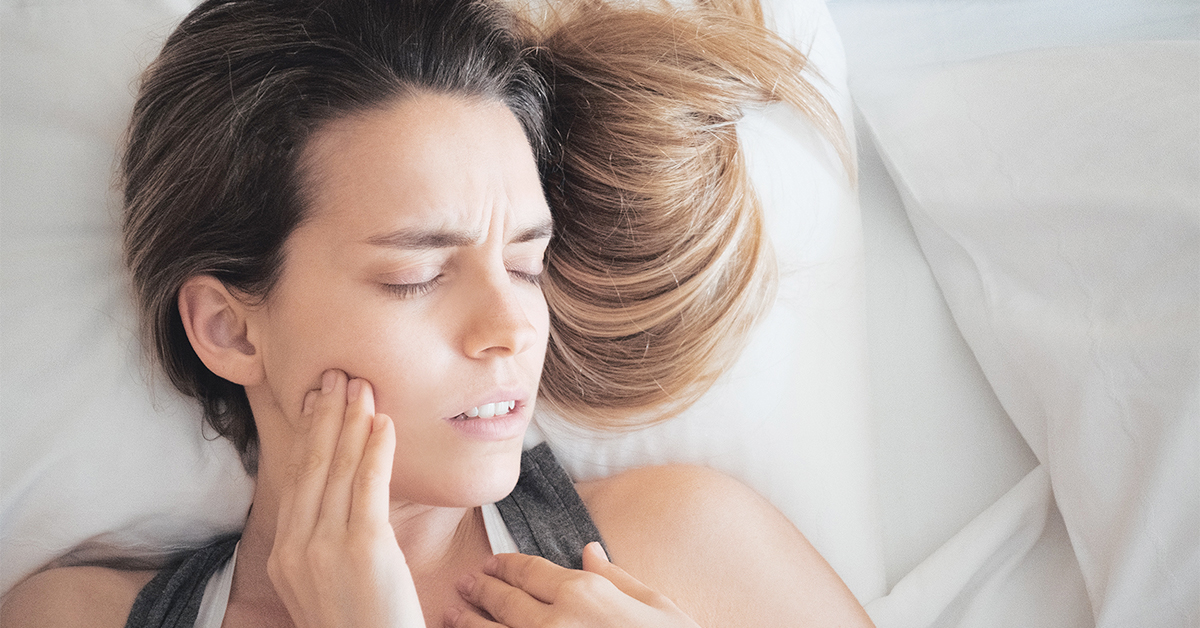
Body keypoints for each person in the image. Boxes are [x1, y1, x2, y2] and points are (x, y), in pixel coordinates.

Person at [0, 0, 871, 626]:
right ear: (230, 330)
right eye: (418, 276)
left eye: (525, 264)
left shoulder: (680, 548)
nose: (511, 328)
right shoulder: (72, 617)